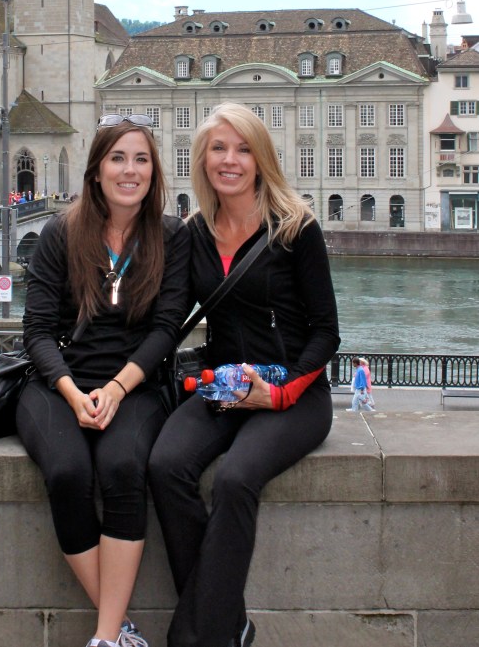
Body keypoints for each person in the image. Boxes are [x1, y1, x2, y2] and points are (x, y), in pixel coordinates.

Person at [148, 102, 341, 647]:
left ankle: (197, 638)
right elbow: (169, 321)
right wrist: (112, 374)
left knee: (235, 480)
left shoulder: (295, 228)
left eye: (242, 149)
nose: (229, 160)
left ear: (260, 160)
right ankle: (228, 625)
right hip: (225, 385)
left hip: (294, 392)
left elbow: (327, 333)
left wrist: (278, 396)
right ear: (202, 159)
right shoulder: (194, 233)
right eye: (218, 148)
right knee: (165, 466)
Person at [16, 114, 191, 647]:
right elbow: (38, 332)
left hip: (135, 385)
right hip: (56, 384)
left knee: (121, 467)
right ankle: (119, 629)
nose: (129, 170)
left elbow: (167, 329)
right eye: (117, 158)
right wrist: (71, 392)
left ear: (153, 170)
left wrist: (117, 388)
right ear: (95, 171)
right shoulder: (61, 233)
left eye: (141, 159)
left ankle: (107, 639)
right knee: (67, 474)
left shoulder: (169, 235)